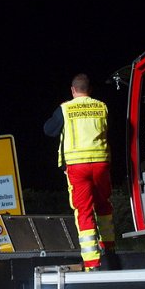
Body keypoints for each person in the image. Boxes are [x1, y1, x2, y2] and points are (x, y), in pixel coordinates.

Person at [44, 73, 116, 271]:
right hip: (101, 163)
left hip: (77, 166)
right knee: (103, 205)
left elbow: (49, 130)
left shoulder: (65, 108)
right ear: (90, 90)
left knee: (84, 211)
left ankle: (92, 262)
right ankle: (109, 248)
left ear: (73, 90)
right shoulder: (102, 106)